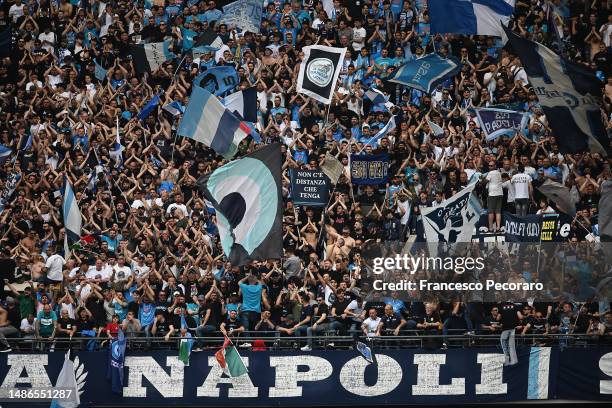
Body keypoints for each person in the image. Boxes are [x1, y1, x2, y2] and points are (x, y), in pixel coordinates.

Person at [498, 301, 523, 366]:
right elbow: (520, 317)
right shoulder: (515, 306)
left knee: (504, 344)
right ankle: (514, 361)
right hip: (513, 328)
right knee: (511, 345)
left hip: (505, 328)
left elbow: (498, 317)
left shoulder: (501, 306)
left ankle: (507, 360)